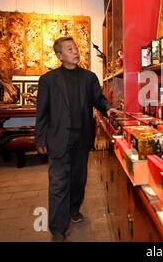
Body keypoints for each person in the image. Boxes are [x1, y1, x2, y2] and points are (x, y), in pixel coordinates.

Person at [35, 37, 118, 242]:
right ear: (59, 55)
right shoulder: (48, 80)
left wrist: (108, 108)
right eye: (70, 49)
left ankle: (73, 209)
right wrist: (40, 139)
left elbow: (98, 100)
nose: (75, 51)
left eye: (76, 48)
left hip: (81, 138)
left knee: (78, 180)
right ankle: (57, 228)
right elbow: (42, 113)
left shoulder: (89, 77)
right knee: (58, 183)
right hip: (58, 138)